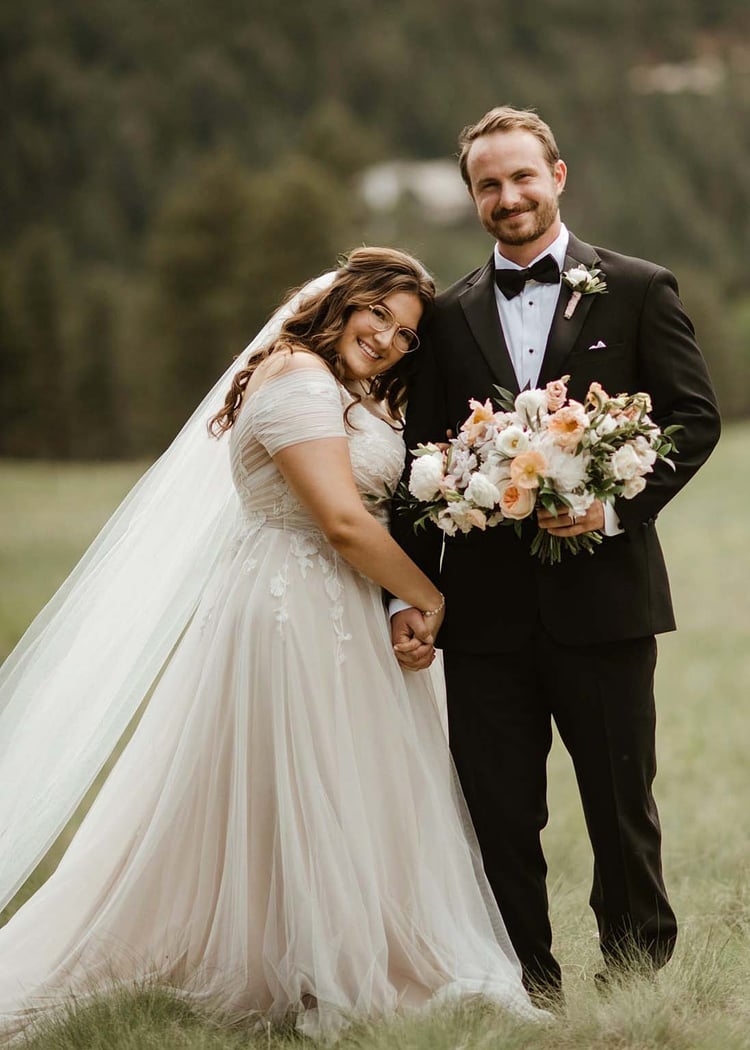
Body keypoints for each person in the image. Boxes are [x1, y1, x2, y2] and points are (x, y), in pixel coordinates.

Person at [0, 247, 545, 1039]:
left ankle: (322, 948)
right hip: (292, 604)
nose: (390, 340)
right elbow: (341, 519)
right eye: (378, 316)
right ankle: (321, 962)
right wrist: (429, 596)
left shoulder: (340, 388)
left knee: (343, 781)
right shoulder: (294, 378)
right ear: (342, 302)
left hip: (343, 605)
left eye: (405, 334)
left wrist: (396, 600)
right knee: (309, 774)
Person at [390, 107, 721, 1005]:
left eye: (522, 178)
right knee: (498, 812)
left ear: (558, 176)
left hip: (608, 603)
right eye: (489, 185)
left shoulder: (641, 287)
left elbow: (696, 421)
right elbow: (422, 466)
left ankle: (637, 981)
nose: (509, 197)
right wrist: (405, 599)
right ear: (472, 198)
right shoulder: (447, 316)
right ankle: (523, 984)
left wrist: (611, 510)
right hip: (487, 618)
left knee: (621, 807)